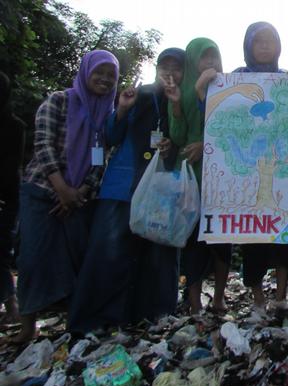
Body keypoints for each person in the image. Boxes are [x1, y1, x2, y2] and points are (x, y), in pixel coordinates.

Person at [68, 48, 185, 333]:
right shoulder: (138, 94)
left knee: (157, 257)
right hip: (123, 187)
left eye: (177, 67)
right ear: (156, 68)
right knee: (109, 255)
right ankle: (97, 322)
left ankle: (152, 319)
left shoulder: (183, 101)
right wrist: (121, 109)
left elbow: (184, 137)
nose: (170, 71)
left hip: (160, 193)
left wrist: (173, 132)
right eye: (164, 65)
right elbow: (111, 136)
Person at [13, 50, 119, 342]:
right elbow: (43, 144)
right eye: (99, 72)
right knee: (33, 258)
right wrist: (62, 188)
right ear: (86, 72)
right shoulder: (59, 100)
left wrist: (80, 192)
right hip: (43, 191)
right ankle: (27, 326)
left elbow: (101, 161)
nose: (105, 80)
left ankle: (74, 323)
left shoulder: (106, 117)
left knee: (78, 261)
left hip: (81, 199)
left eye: (111, 75)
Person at [233, 22, 288, 309]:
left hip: (280, 167)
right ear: (248, 47)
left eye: (271, 40)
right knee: (251, 239)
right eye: (259, 41)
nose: (266, 46)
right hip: (251, 167)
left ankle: (281, 297)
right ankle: (257, 298)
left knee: (283, 236)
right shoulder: (235, 78)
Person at [171, 38, 231, 315]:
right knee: (194, 241)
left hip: (222, 175)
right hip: (193, 175)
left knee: (222, 241)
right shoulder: (181, 92)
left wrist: (206, 145)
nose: (210, 64)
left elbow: (228, 128)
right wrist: (185, 99)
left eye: (214, 57)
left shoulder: (229, 88)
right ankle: (194, 302)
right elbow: (177, 136)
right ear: (193, 62)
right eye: (204, 58)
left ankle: (219, 298)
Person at [0, 72, 25, 324]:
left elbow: (10, 166)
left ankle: (12, 307)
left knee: (1, 254)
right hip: (9, 197)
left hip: (5, 198)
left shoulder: (13, 126)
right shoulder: (15, 124)